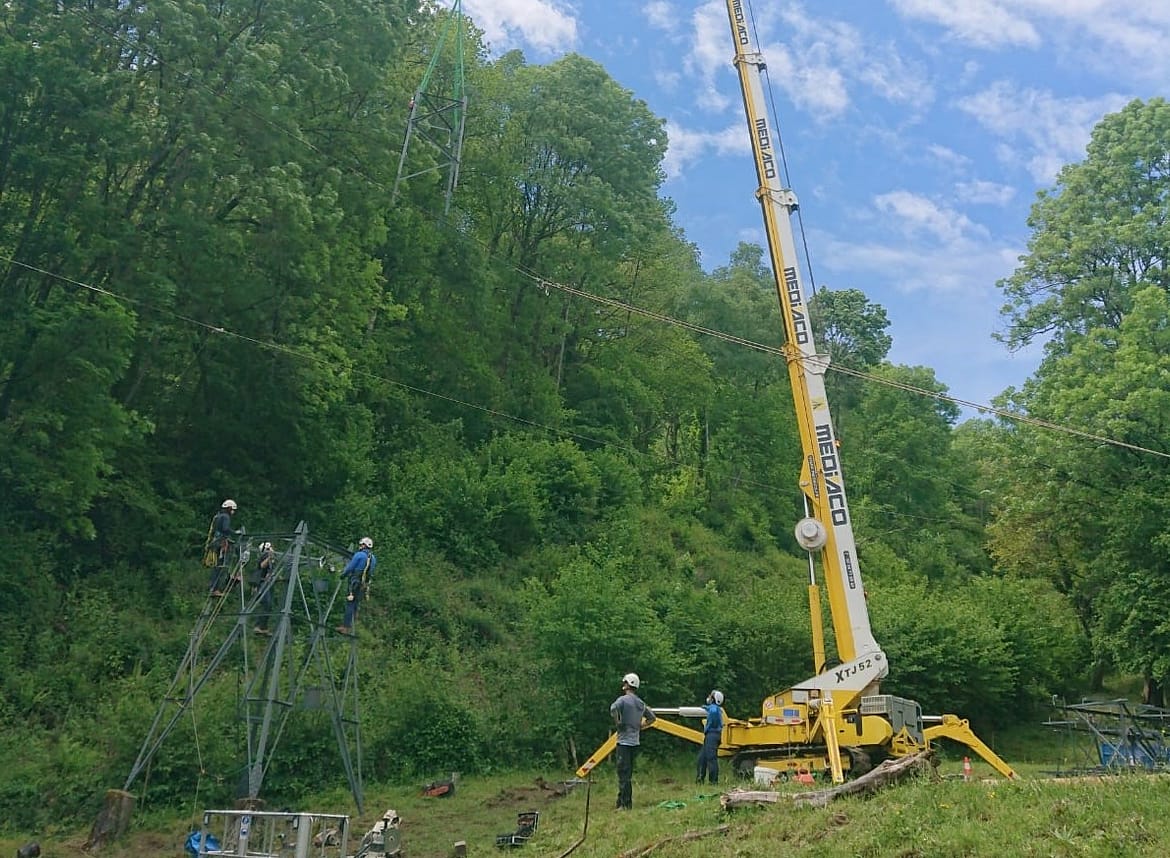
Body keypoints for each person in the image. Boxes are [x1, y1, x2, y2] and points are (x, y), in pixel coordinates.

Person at [610, 672, 656, 810]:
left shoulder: (623, 700)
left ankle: (625, 804)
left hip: (623, 742)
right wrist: (641, 725)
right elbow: (652, 718)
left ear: (627, 684)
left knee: (623, 774)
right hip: (635, 742)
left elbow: (613, 708)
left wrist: (618, 722)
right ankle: (620, 801)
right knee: (627, 773)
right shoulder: (640, 703)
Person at [336, 537, 375, 634]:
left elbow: (350, 567)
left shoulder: (359, 555)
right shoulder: (373, 558)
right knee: (356, 604)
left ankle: (345, 626)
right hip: (364, 585)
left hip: (354, 582)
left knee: (350, 603)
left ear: (363, 545)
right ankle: (353, 623)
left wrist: (342, 575)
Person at [207, 499, 238, 596]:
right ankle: (215, 588)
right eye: (232, 509)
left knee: (217, 566)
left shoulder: (218, 516)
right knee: (220, 566)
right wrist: (235, 533)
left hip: (215, 542)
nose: (233, 512)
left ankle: (213, 587)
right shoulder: (226, 517)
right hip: (221, 543)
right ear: (229, 508)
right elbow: (225, 529)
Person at [696, 689, 724, 785]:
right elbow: (711, 709)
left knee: (711, 758)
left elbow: (712, 711)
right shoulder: (715, 708)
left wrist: (707, 728)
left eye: (711, 697)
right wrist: (706, 708)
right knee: (702, 758)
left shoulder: (714, 709)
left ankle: (713, 781)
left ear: (714, 699)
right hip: (711, 736)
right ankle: (700, 779)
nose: (709, 698)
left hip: (712, 735)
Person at [250, 542, 276, 635]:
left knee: (268, 606)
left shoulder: (271, 560)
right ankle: (258, 626)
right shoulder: (263, 557)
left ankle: (263, 627)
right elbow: (262, 566)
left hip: (268, 584)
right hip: (262, 584)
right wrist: (269, 557)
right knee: (266, 603)